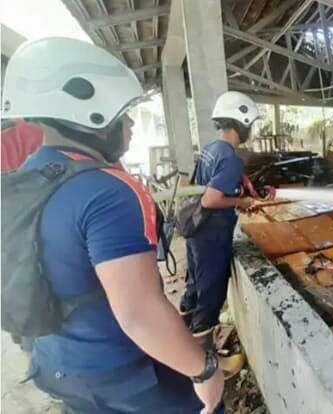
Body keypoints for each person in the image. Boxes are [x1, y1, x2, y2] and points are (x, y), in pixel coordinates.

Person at [2, 37, 224, 413]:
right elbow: (141, 315)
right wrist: (204, 372)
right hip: (123, 375)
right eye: (122, 115)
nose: (131, 124)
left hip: (55, 365)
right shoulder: (109, 191)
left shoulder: (23, 180)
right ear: (93, 116)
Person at [180, 91, 262, 343]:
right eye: (251, 123)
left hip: (197, 233)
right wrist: (241, 201)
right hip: (213, 237)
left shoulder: (210, 149)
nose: (252, 129)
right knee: (211, 294)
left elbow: (204, 187)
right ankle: (202, 359)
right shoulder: (231, 158)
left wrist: (240, 188)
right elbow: (211, 199)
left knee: (194, 286)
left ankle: (184, 329)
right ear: (242, 122)